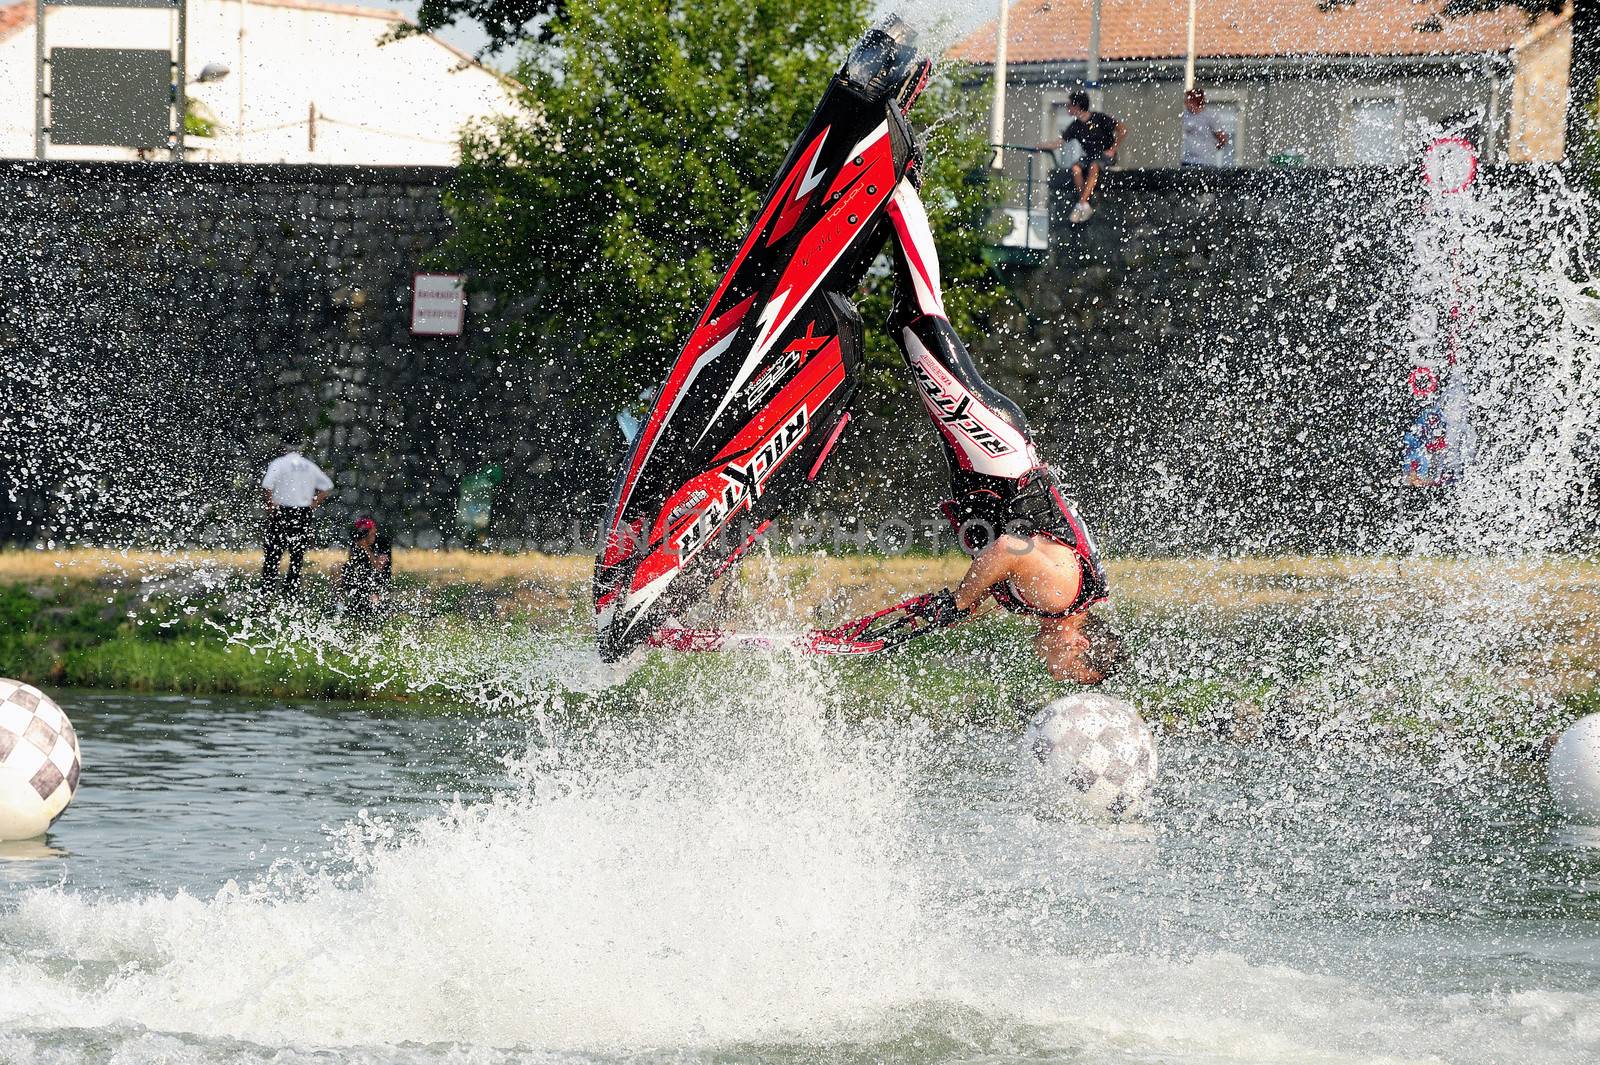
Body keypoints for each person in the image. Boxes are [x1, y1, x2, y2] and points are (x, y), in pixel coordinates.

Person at [871, 175, 1129, 684]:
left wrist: (960, 604)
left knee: (912, 330)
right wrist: (961, 603)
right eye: (1066, 671)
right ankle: (898, 187)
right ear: (1081, 646)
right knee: (924, 324)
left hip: (994, 461)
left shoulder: (1056, 600)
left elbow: (1007, 558)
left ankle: (887, 207)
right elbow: (1010, 550)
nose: (1052, 671)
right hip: (997, 460)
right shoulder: (1058, 594)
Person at [260, 443, 332, 597]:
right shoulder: (308, 465)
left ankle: (268, 590)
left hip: (282, 510)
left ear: (283, 448)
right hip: (302, 512)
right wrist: (314, 503)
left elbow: (267, 485)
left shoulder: (279, 463)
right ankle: (291, 591)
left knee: (273, 552)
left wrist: (270, 505)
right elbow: (326, 486)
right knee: (297, 554)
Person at [1044, 91, 1127, 224]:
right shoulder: (1075, 126)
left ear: (1077, 106)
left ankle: (1081, 202)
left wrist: (1113, 149)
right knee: (1076, 168)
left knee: (1094, 167)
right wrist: (1042, 146)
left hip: (1105, 155)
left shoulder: (1099, 118)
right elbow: (1059, 143)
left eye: (1070, 105)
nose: (1068, 108)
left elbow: (1122, 129)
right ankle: (1085, 204)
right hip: (1090, 156)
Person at [338, 517, 392, 621]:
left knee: (374, 605)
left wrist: (366, 548)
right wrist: (358, 546)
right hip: (360, 579)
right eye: (363, 531)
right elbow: (350, 563)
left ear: (374, 530)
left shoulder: (382, 542)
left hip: (377, 581)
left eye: (367, 531)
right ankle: (339, 604)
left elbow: (378, 567)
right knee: (336, 567)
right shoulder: (357, 541)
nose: (366, 534)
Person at [1181, 88, 1230, 167]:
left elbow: (1222, 138)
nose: (1185, 103)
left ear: (1195, 101)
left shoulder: (1210, 116)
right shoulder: (1185, 116)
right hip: (1187, 160)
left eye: (1188, 100)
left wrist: (1211, 148)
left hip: (1205, 162)